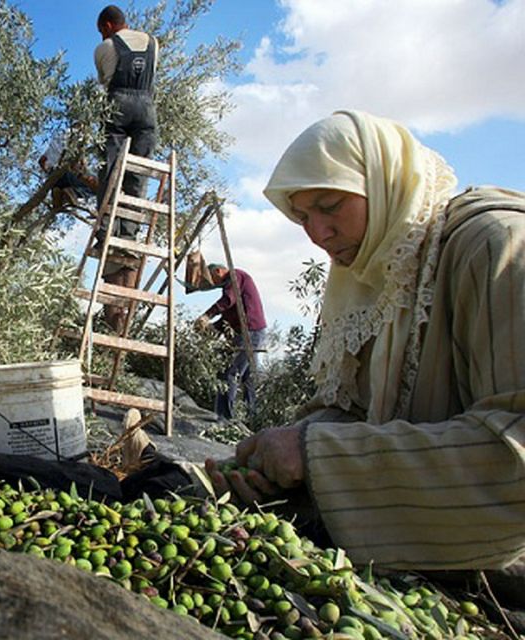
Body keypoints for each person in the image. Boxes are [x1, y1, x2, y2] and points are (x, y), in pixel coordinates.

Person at [203, 111, 525, 612]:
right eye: (303, 218)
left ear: (384, 180)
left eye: (330, 206)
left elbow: (517, 453)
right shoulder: (374, 271)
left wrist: (317, 456)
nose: (319, 234)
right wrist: (285, 465)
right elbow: (358, 411)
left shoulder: (495, 248)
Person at [94, 4, 158, 333]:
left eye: (101, 29)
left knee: (111, 172)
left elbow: (107, 83)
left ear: (107, 25)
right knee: (137, 178)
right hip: (147, 110)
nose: (102, 35)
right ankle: (129, 235)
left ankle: (106, 229)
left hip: (118, 105)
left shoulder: (104, 48)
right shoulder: (152, 42)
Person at [195, 263, 267, 420]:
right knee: (248, 378)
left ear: (218, 271)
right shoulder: (235, 284)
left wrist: (207, 316)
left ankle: (223, 419)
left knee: (229, 374)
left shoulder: (235, 276)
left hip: (249, 331)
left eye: (213, 278)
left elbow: (227, 300)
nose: (214, 283)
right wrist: (210, 329)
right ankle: (252, 419)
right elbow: (227, 318)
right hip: (253, 331)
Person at [37, 129, 98, 213]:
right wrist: (82, 171)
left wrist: (49, 175)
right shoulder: (79, 136)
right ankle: (73, 192)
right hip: (68, 170)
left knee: (60, 186)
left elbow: (41, 161)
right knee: (98, 186)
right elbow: (78, 158)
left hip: (54, 174)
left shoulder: (58, 138)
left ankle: (58, 193)